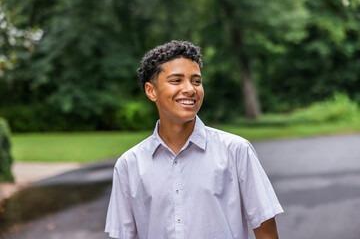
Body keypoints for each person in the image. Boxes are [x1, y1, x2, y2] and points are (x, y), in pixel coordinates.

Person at [105, 40, 283, 239]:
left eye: (196, 81)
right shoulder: (129, 165)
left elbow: (266, 229)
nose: (190, 89)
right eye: (176, 80)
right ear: (151, 91)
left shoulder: (235, 151)